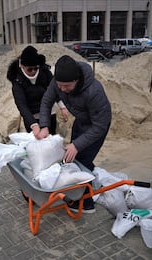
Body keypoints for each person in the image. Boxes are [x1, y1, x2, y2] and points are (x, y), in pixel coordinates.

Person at [37, 55, 112, 213]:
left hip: (97, 126)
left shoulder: (94, 91)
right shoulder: (58, 82)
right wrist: (44, 126)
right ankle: (88, 185)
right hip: (81, 120)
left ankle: (86, 203)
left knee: (82, 161)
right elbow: (46, 101)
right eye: (60, 85)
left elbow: (100, 125)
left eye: (67, 86)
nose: (62, 90)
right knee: (76, 158)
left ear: (77, 80)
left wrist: (77, 145)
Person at [6, 45, 68, 136]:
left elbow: (55, 89)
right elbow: (22, 105)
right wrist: (33, 124)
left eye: (36, 68)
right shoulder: (17, 81)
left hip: (49, 113)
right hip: (32, 116)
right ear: (22, 66)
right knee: (37, 142)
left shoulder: (45, 72)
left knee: (50, 138)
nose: (33, 71)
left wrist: (62, 107)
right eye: (30, 69)